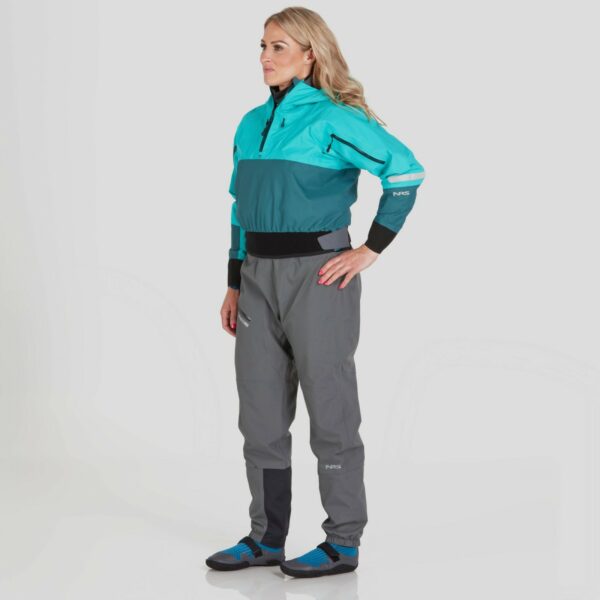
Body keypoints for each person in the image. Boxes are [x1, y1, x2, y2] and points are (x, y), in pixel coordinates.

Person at [207, 7, 425, 578]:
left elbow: (405, 173)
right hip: (256, 278)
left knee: (330, 412)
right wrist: (233, 281)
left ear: (310, 54)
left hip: (320, 276)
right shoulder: (249, 124)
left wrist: (369, 249)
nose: (265, 56)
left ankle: (342, 542)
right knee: (259, 415)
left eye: (278, 46)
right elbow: (240, 209)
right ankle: (265, 538)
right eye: (262, 46)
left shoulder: (334, 118)